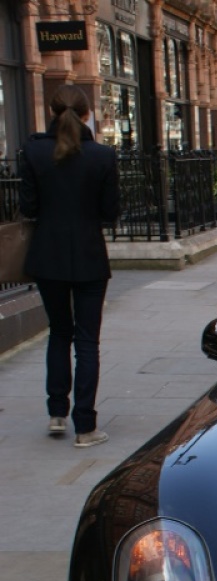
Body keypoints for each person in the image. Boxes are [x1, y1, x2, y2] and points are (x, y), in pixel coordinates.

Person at [19, 83, 120, 449]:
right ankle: (86, 427)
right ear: (85, 113)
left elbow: (28, 208)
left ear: (51, 111)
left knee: (59, 332)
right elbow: (111, 212)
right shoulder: (102, 155)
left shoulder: (32, 151)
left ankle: (57, 413)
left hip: (47, 256)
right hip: (90, 256)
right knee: (87, 340)